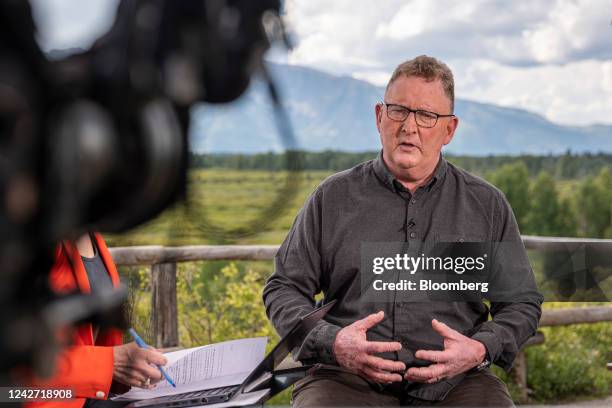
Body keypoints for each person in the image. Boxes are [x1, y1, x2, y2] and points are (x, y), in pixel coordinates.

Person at [263, 55, 543, 407]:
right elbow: (283, 287)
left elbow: (521, 303)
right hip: (345, 379)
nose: (409, 127)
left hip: (456, 383)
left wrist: (480, 347)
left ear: (449, 130)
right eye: (398, 111)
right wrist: (332, 342)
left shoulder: (486, 205)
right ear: (380, 117)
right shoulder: (331, 198)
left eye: (426, 115)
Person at [27, 232, 168, 408]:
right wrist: (109, 363)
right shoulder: (29, 236)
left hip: (88, 393)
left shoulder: (93, 236)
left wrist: (129, 365)